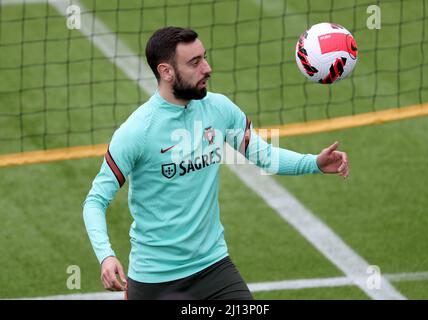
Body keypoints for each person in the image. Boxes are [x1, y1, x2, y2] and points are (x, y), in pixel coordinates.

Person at [83, 26, 349, 300]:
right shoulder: (137, 132)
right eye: (195, 62)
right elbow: (95, 200)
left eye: (204, 58)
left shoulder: (219, 110)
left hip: (214, 269)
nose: (207, 68)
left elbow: (266, 156)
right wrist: (106, 256)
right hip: (156, 282)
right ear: (166, 72)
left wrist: (314, 162)